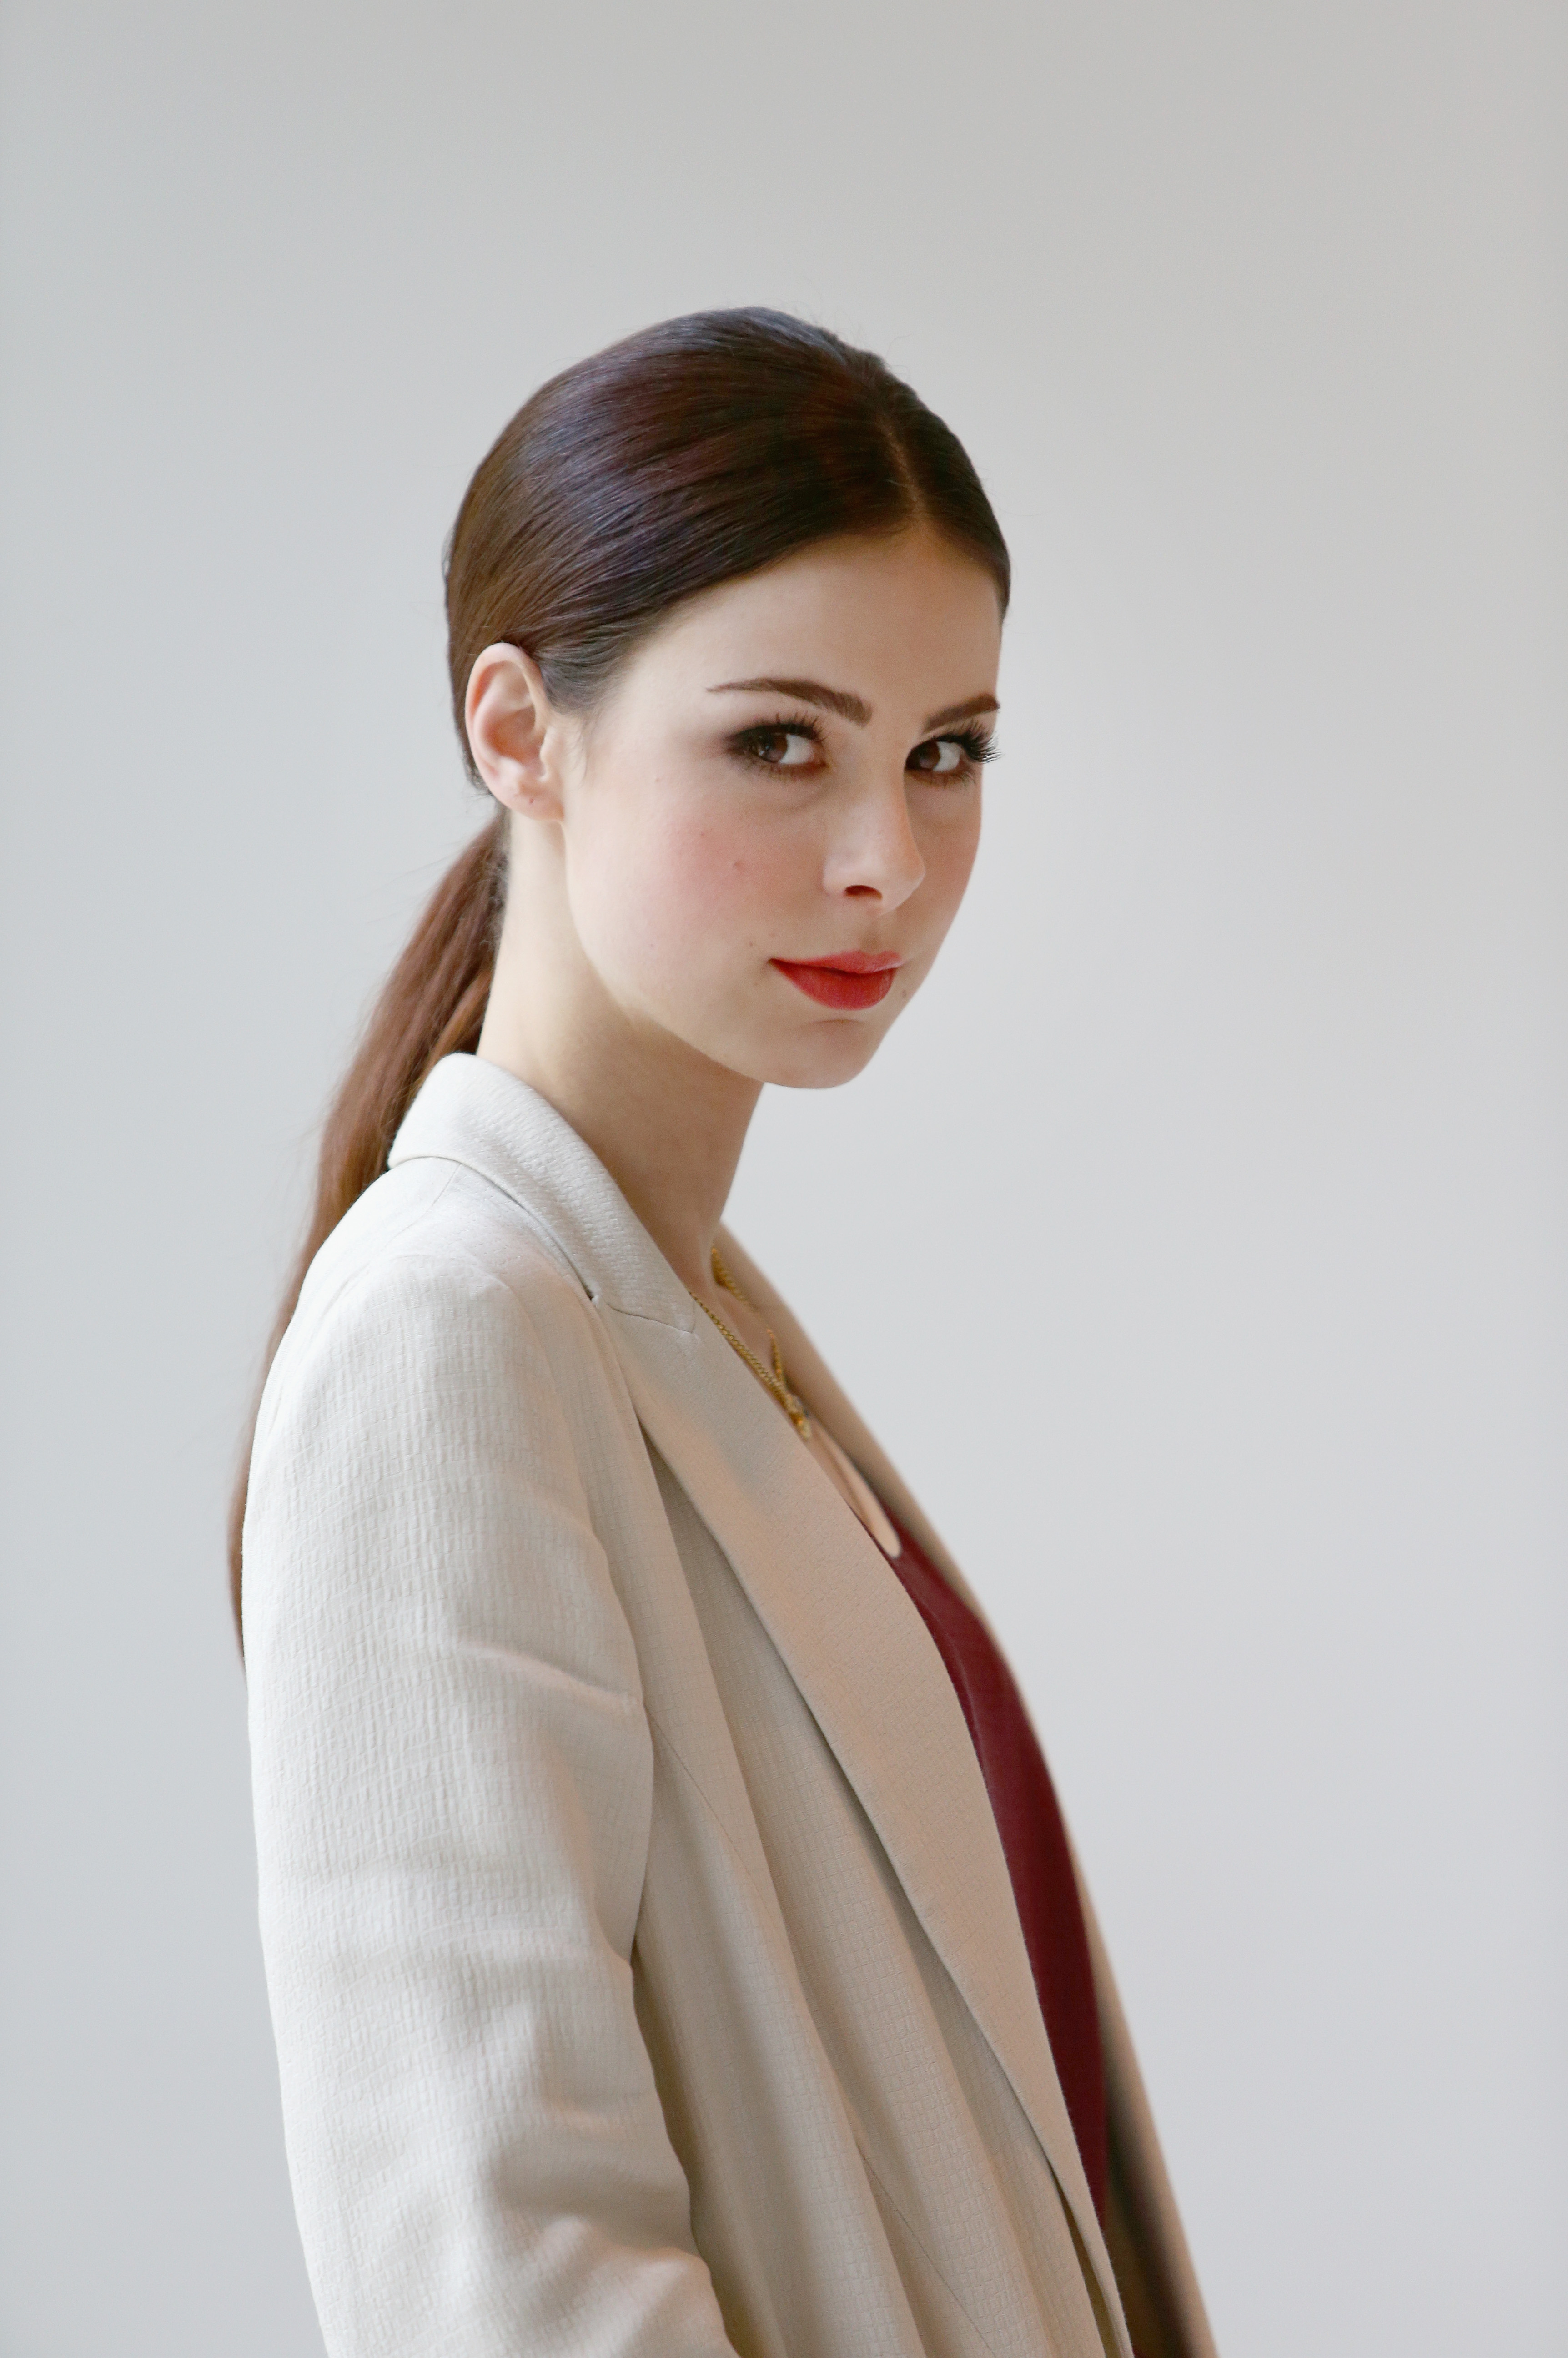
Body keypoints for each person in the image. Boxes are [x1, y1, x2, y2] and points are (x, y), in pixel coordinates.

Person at [236, 309, 1216, 2358]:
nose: (889, 862)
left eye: (946, 752)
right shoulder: (452, 1333)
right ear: (521, 732)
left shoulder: (687, 1327)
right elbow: (498, 2280)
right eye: (781, 742)